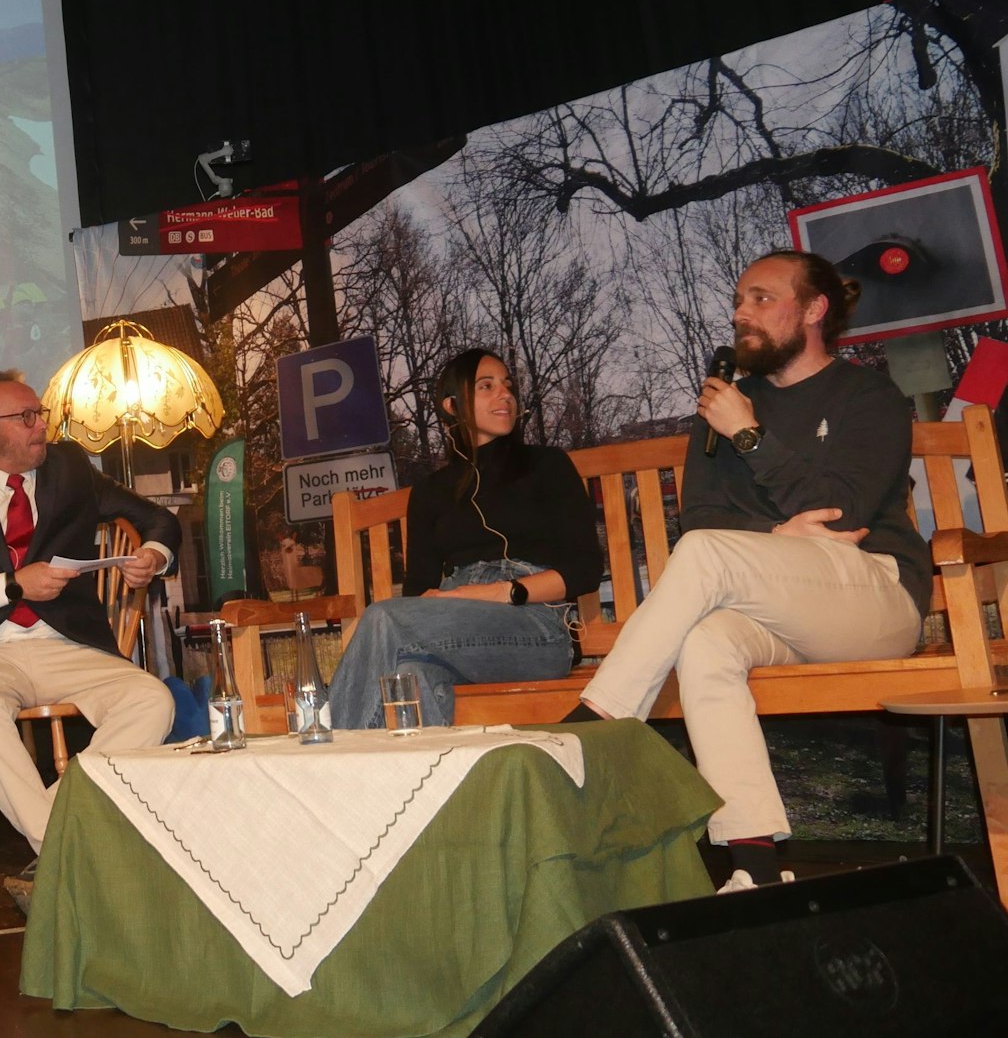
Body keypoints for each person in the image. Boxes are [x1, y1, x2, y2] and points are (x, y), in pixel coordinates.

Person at [567, 249, 929, 891]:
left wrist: (751, 436)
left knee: (708, 556)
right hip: (778, 607)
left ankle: (598, 725)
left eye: (762, 298)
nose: (742, 314)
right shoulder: (724, 408)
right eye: (739, 301)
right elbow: (702, 517)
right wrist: (776, 534)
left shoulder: (866, 395)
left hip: (872, 598)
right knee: (706, 643)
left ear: (815, 310)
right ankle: (756, 865)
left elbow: (842, 509)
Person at [0, 370, 181, 902]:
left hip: (66, 644)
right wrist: (11, 585)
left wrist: (152, 556)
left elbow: (159, 520)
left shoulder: (71, 473)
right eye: (24, 417)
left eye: (40, 414)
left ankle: (53, 849)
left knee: (152, 698)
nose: (39, 426)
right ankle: (64, 844)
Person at [325, 348, 602, 729]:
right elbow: (420, 590)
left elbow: (585, 569)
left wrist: (496, 592)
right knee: (411, 675)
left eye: (507, 385)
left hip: (533, 626)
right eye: (486, 386)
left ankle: (333, 761)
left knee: (383, 618)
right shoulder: (431, 491)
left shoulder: (547, 465)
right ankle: (420, 787)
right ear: (452, 406)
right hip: (454, 632)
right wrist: (455, 600)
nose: (505, 394)